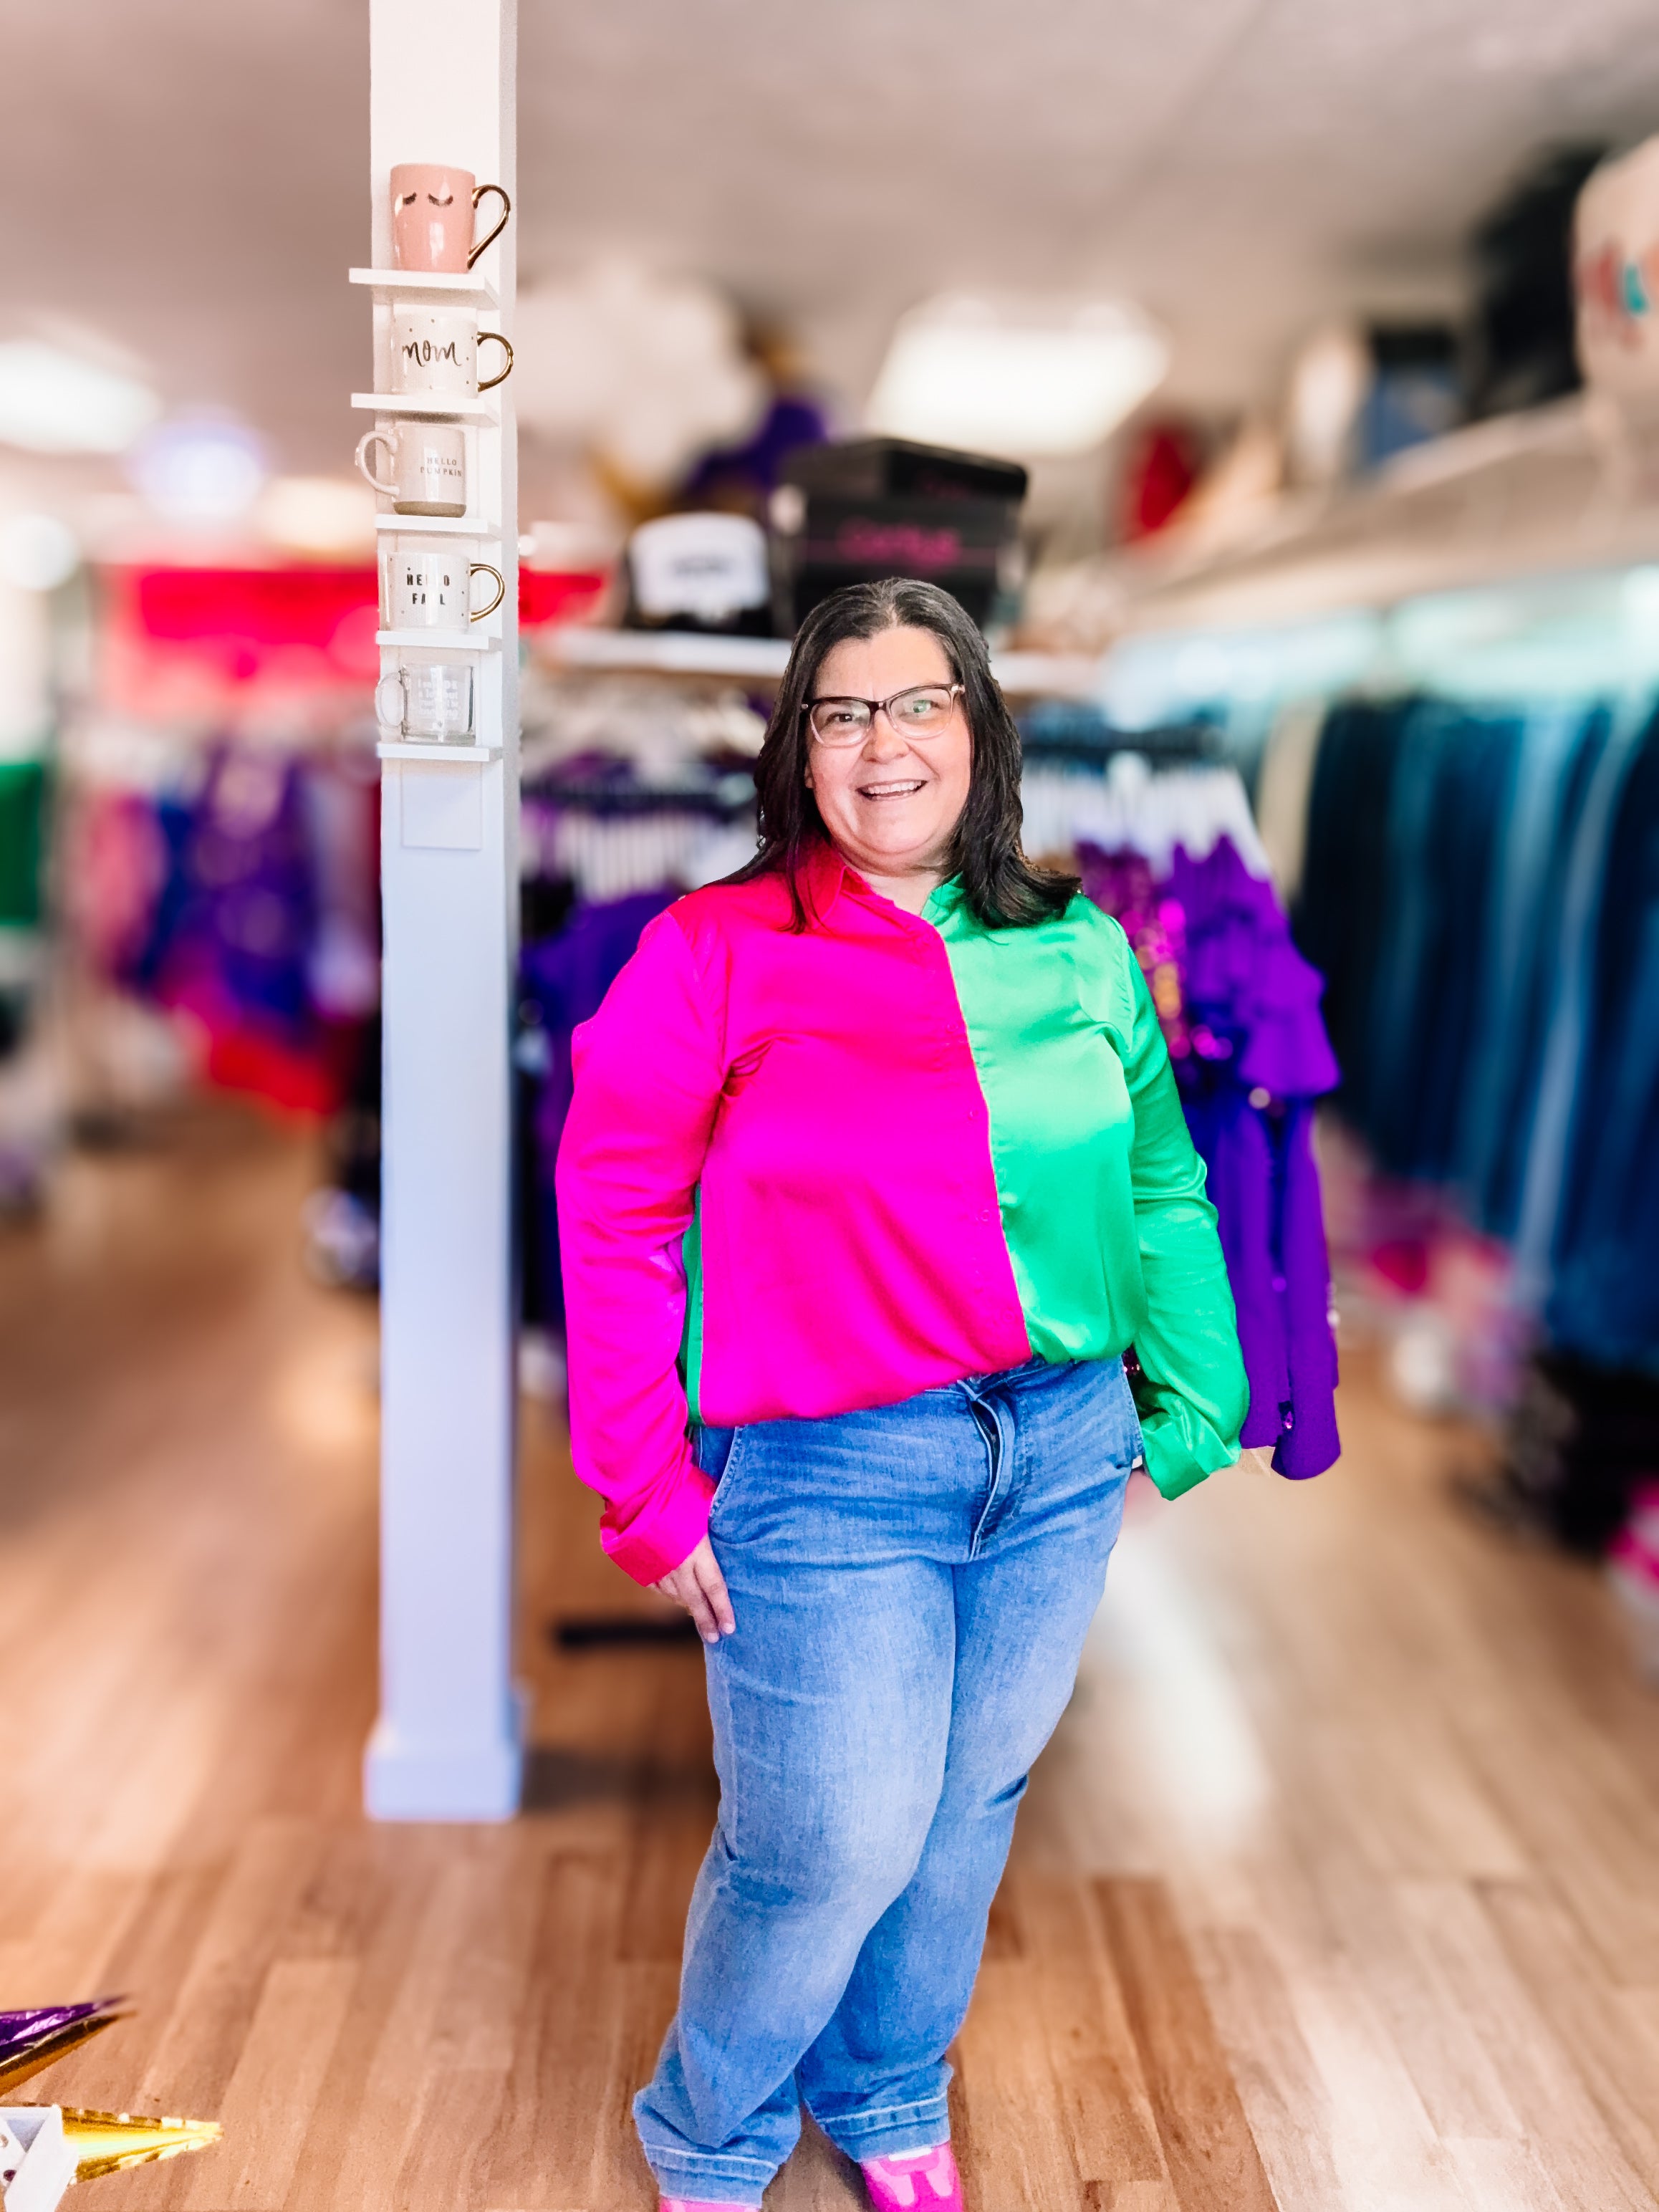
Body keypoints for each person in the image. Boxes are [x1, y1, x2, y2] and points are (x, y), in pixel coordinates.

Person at [557, 577, 1249, 2212]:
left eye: (920, 703)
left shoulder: (1080, 943)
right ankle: (713, 2128)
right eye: (844, 711)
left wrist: (1193, 1402)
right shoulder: (710, 952)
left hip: (1057, 1445)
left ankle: (885, 2090)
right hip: (827, 1465)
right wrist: (643, 1486)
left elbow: (1161, 1179)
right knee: (830, 1842)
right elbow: (614, 1210)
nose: (885, 745)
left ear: (979, 730)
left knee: (965, 1814)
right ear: (798, 750)